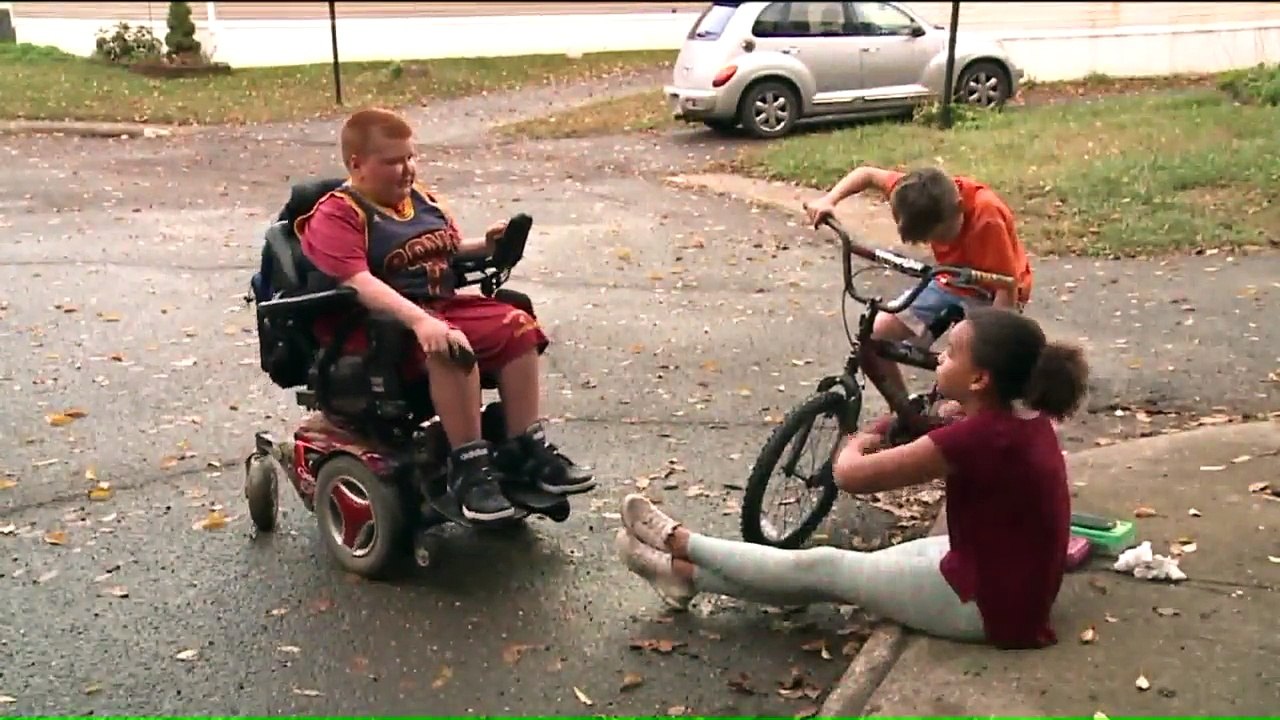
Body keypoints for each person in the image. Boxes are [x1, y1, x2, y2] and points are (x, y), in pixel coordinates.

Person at [614, 308, 1088, 649]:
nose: (938, 359)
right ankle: (682, 577)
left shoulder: (981, 438)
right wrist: (915, 419)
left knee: (824, 567)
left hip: (989, 605)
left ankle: (680, 542)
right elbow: (951, 424)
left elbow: (851, 476)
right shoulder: (1020, 419)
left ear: (981, 379)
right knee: (829, 577)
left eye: (950, 355)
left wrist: (857, 438)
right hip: (1005, 579)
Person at [295, 107, 594, 523]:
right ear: (356, 164)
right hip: (374, 327)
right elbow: (359, 282)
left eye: (410, 158)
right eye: (393, 161)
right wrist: (420, 322)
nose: (407, 170)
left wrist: (485, 247)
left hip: (438, 307)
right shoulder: (338, 215)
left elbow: (441, 251)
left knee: (517, 322)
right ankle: (470, 471)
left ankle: (524, 447)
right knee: (453, 344)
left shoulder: (420, 201)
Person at [804, 165, 1034, 414]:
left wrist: (988, 344)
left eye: (940, 235)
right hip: (948, 279)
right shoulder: (918, 192)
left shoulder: (987, 217)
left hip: (993, 292)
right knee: (875, 335)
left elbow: (1007, 288)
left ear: (958, 207)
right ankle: (906, 411)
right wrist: (829, 200)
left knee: (968, 381)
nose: (936, 243)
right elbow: (867, 174)